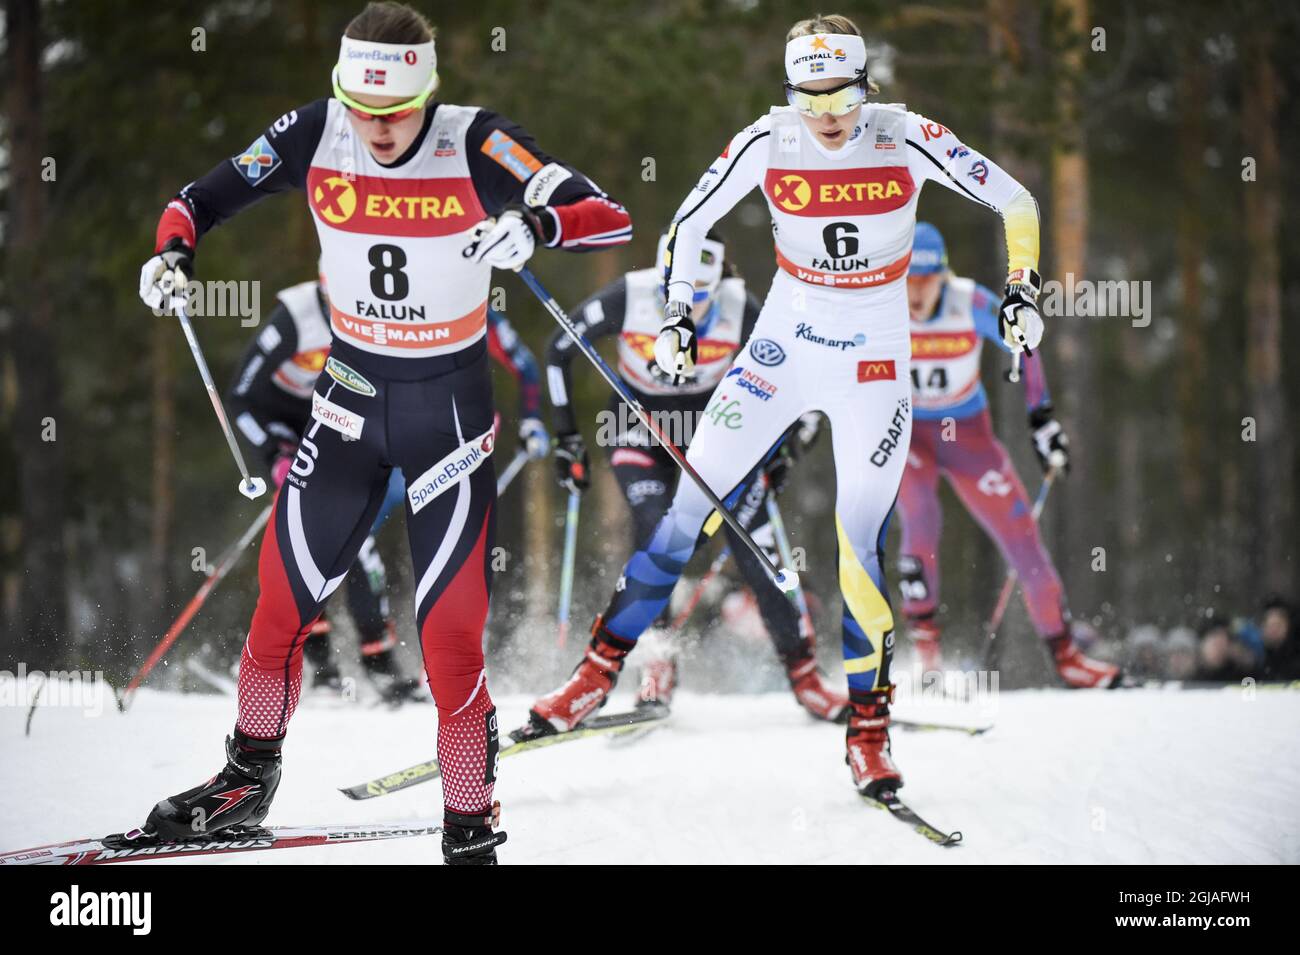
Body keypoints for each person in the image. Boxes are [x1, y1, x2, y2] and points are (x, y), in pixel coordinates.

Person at [137, 1, 630, 864]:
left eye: (396, 113)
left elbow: (605, 211)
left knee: (448, 634)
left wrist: (534, 222)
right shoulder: (312, 130)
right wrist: (173, 253)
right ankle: (247, 777)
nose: (378, 130)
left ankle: (470, 821)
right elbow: (199, 198)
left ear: (427, 94)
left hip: (447, 414)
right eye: (363, 113)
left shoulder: (476, 140)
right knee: (281, 605)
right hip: (349, 401)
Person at [524, 13, 1045, 800]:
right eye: (811, 97)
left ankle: (867, 732)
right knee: (683, 514)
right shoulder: (770, 138)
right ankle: (595, 675)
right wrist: (675, 315)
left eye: (841, 97)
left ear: (866, 86)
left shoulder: (905, 135)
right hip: (782, 353)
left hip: (873, 361)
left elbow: (1016, 201)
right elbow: (687, 223)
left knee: (857, 543)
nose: (828, 117)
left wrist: (1021, 290)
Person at [545, 230, 846, 720]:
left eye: (698, 295)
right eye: (674, 291)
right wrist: (567, 438)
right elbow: (559, 346)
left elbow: (805, 372)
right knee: (655, 531)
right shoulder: (630, 294)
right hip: (639, 434)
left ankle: (806, 674)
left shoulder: (739, 306)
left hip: (715, 440)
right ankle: (656, 664)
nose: (683, 307)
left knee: (758, 550)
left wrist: (789, 443)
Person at [226, 272, 549, 702]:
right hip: (286, 426)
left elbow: (514, 364)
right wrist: (275, 453)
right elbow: (241, 398)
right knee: (313, 541)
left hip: (344, 423)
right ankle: (317, 665)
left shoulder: (433, 303)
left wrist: (490, 415)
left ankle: (374, 664)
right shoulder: (296, 317)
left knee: (357, 544)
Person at [895, 223, 1120, 687]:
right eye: (908, 280)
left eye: (926, 280)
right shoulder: (879, 305)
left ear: (943, 275)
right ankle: (926, 658)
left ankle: (1066, 657)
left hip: (968, 438)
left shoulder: (969, 301)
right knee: (920, 517)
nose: (916, 293)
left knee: (1021, 537)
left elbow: (1025, 341)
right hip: (908, 435)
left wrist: (1043, 419)